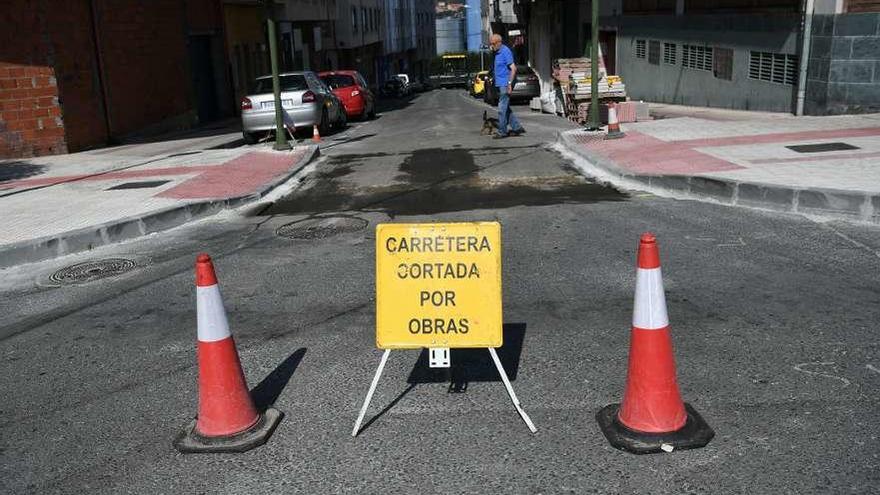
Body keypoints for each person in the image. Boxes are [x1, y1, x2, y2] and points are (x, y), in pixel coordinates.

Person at [489, 34, 525, 139]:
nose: (492, 46)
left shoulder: (505, 51)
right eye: (491, 44)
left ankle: (502, 132)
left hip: (506, 84)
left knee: (501, 109)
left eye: (493, 44)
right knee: (505, 108)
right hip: (500, 84)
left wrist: (509, 84)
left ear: (499, 42)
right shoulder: (496, 53)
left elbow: (513, 69)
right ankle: (517, 127)